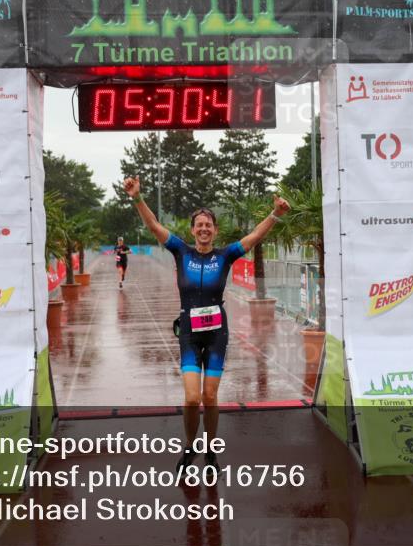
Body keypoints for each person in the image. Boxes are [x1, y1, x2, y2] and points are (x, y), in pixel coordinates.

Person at [123, 176, 290, 472]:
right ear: (192, 230)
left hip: (216, 334)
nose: (203, 229)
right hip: (188, 331)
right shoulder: (181, 251)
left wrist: (275, 214)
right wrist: (137, 197)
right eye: (199, 225)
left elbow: (253, 238)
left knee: (210, 396)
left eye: (208, 225)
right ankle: (190, 446)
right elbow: (153, 226)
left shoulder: (224, 255)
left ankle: (211, 448)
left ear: (214, 230)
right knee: (190, 398)